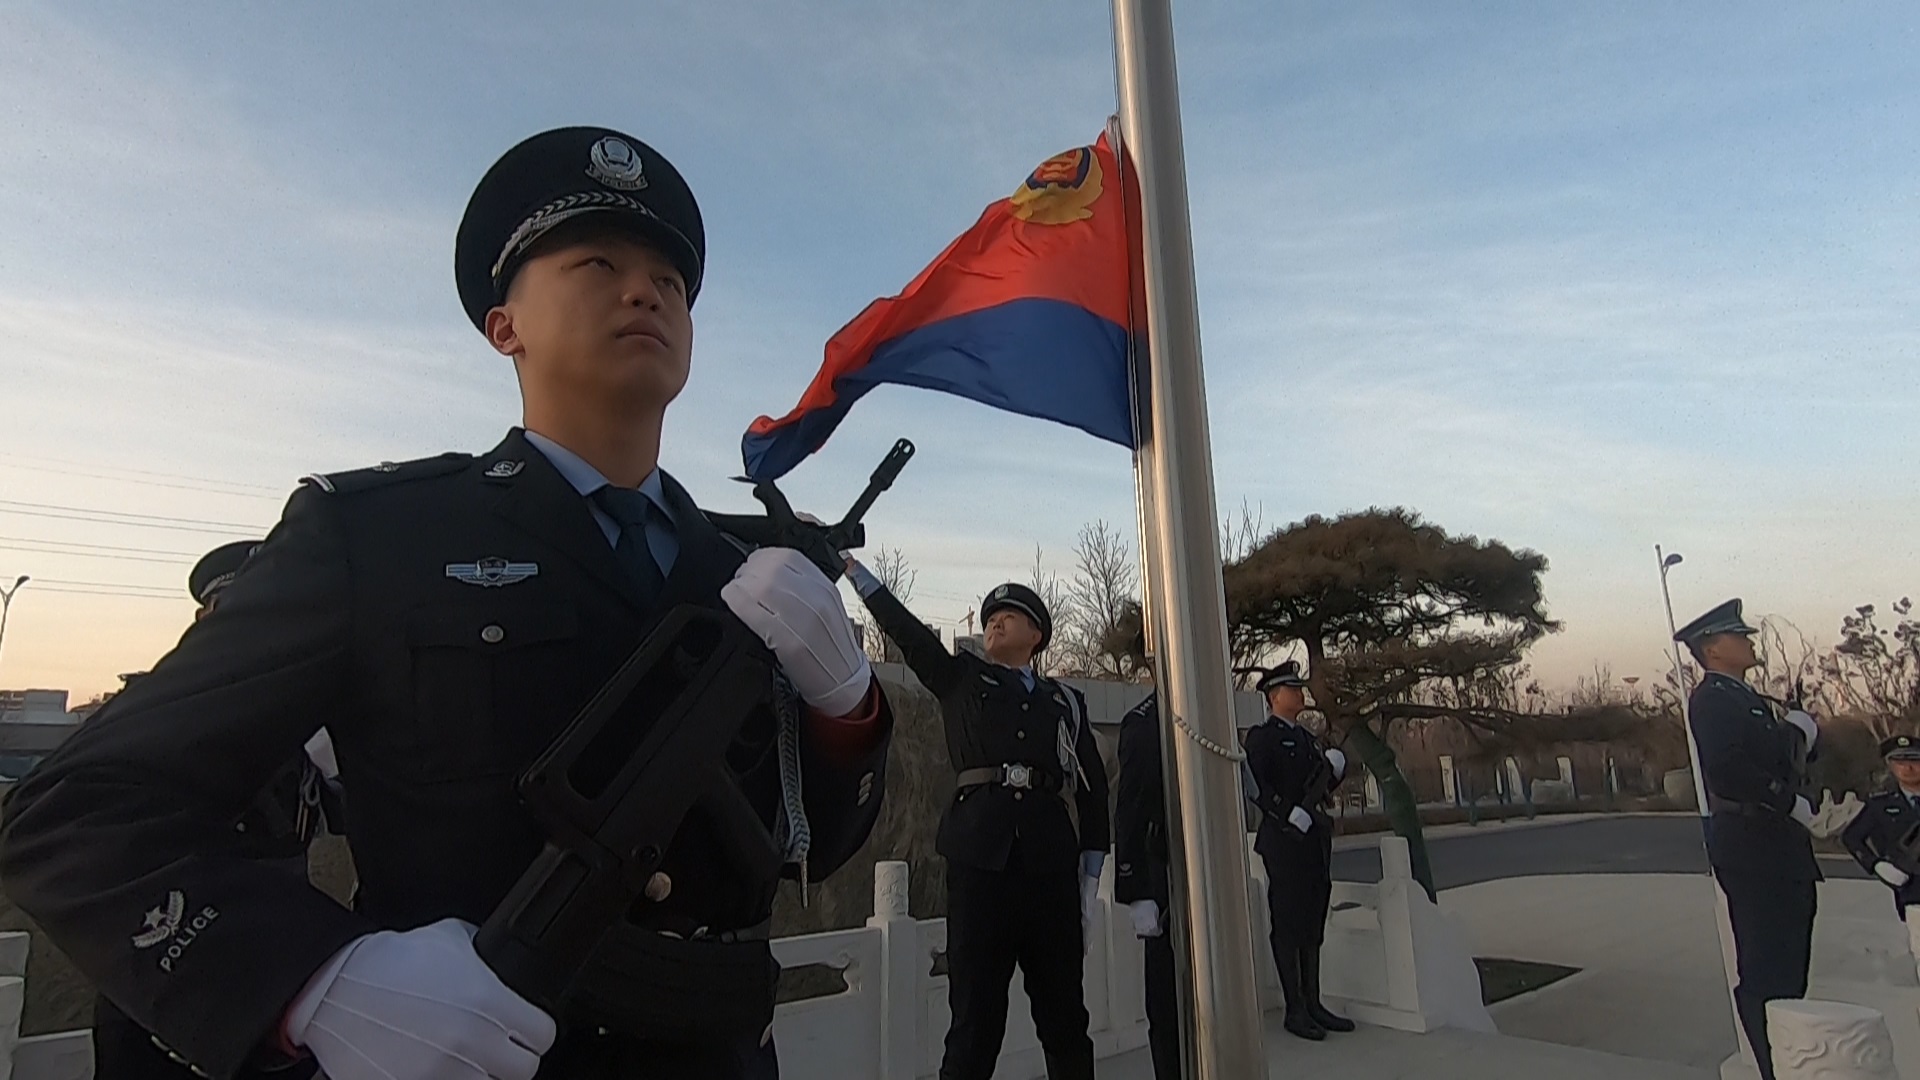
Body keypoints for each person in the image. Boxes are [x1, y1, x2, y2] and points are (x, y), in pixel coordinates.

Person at [0, 125, 895, 1080]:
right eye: (599, 262)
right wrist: (309, 980)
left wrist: (849, 711)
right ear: (504, 325)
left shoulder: (747, 573)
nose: (647, 292)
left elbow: (803, 850)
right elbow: (75, 811)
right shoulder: (376, 539)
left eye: (671, 282)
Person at [845, 566, 1108, 1080]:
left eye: (1009, 617)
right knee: (974, 1023)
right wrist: (857, 575)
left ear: (1036, 636)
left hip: (1050, 868)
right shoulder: (962, 678)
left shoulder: (1065, 702)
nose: (994, 624)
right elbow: (911, 636)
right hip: (979, 864)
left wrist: (1091, 877)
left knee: (1065, 1019)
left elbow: (1092, 790)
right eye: (990, 618)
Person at [91, 540, 335, 1080]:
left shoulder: (310, 716)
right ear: (205, 618)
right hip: (163, 969)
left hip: (282, 974)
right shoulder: (144, 715)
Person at [1678, 598, 1820, 1080]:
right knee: (1766, 968)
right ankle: (1774, 1067)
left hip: (1774, 844)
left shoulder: (1744, 697)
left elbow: (1774, 761)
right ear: (1712, 650)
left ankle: (1786, 1057)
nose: (1748, 641)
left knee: (1788, 965)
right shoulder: (1714, 699)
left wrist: (1796, 735)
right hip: (1754, 843)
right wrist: (1787, 801)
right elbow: (1729, 769)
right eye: (1738, 636)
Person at [1242, 661, 1352, 1041]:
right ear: (1275, 696)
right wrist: (1286, 811)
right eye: (1292, 688)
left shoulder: (1306, 739)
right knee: (1288, 920)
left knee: (1312, 915)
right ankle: (1295, 1008)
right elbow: (1257, 785)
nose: (1299, 693)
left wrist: (1335, 773)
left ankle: (1313, 1002)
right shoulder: (1262, 737)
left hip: (1312, 839)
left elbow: (1319, 787)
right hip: (1283, 839)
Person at [1113, 639, 1179, 1080]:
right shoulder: (1142, 724)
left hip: (1207, 870)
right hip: (1162, 870)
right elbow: (1130, 808)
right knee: (1167, 997)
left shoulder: (1210, 718)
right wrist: (1136, 891)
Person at [1840, 734, 1920, 921]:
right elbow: (1852, 837)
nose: (1908, 768)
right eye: (1899, 761)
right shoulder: (1879, 805)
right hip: (1912, 890)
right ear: (1890, 765)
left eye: (1915, 760)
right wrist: (1876, 865)